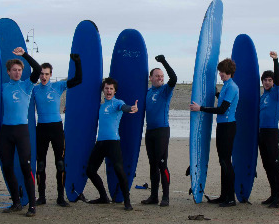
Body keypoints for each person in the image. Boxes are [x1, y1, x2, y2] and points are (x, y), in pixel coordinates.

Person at [32, 54, 82, 206]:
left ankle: (61, 197)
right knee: (40, 165)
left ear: (51, 74)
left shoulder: (58, 86)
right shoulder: (34, 90)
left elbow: (78, 80)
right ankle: (41, 197)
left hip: (56, 128)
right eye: (41, 73)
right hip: (41, 128)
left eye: (46, 74)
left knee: (60, 163)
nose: (44, 76)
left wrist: (77, 63)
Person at [190, 57, 239, 207]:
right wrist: (216, 93)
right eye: (220, 72)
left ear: (229, 72)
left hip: (228, 127)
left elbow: (222, 109)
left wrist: (201, 108)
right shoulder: (226, 86)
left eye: (223, 72)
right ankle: (224, 195)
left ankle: (231, 198)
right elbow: (223, 100)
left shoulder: (232, 87)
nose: (221, 74)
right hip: (222, 126)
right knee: (222, 161)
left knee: (226, 162)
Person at [0, 47, 41, 216]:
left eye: (19, 70)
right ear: (8, 72)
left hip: (22, 131)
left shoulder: (27, 85)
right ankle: (16, 202)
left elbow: (37, 69)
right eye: (14, 70)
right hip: (6, 131)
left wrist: (24, 55)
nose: (17, 73)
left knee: (25, 166)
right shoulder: (3, 87)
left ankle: (32, 205)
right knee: (7, 167)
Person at [84, 77, 138, 210]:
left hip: (113, 142)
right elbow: (85, 113)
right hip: (100, 142)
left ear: (115, 91)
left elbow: (124, 107)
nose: (108, 91)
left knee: (119, 170)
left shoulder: (117, 103)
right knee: (90, 171)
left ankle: (127, 201)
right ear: (103, 90)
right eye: (106, 88)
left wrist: (131, 108)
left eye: (111, 89)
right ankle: (103, 197)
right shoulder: (101, 106)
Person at [142, 55, 176, 206]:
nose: (160, 78)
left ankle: (166, 197)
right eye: (157, 76)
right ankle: (153, 196)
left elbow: (173, 78)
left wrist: (163, 62)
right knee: (152, 164)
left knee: (162, 163)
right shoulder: (147, 92)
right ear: (151, 78)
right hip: (150, 132)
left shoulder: (165, 91)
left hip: (162, 131)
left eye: (162, 76)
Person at [258, 51, 279, 208]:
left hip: (272, 133)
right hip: (262, 133)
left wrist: (276, 61)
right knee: (267, 165)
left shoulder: (276, 93)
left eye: (270, 80)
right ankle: (273, 194)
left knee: (274, 164)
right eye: (265, 80)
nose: (267, 82)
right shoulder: (263, 96)